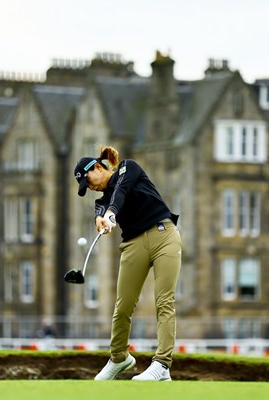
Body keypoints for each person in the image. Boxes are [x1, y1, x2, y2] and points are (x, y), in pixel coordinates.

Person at [74, 145, 182, 381]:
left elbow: (120, 191)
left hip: (164, 235)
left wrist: (112, 212)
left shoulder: (128, 168)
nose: (90, 187)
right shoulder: (100, 202)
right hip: (133, 245)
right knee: (123, 306)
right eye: (86, 187)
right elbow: (101, 211)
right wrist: (102, 220)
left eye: (89, 181)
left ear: (98, 166)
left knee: (164, 300)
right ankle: (119, 358)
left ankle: (162, 364)